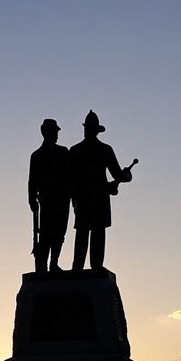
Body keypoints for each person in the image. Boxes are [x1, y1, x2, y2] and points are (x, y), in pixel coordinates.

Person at [68, 110, 132, 271]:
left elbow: (70, 179)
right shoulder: (104, 149)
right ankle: (96, 266)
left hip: (82, 197)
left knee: (82, 232)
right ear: (97, 130)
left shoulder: (74, 151)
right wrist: (127, 175)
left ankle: (77, 267)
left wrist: (74, 198)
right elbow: (118, 175)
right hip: (98, 197)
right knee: (97, 232)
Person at [28, 118, 71, 274]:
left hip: (63, 198)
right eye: (54, 132)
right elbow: (32, 180)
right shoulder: (37, 156)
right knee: (45, 235)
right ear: (45, 132)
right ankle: (43, 266)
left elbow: (70, 176)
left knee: (59, 233)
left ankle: (54, 264)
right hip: (47, 200)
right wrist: (31, 199)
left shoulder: (63, 152)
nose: (56, 135)